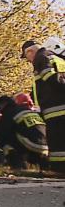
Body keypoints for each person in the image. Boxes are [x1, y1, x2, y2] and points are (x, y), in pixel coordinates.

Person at [22, 40, 65, 174]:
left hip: (54, 109)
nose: (28, 60)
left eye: (26, 56)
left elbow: (51, 78)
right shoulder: (58, 59)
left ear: (30, 52)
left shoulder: (41, 57)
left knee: (57, 141)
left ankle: (59, 169)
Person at [0, 96, 48, 169]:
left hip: (32, 144)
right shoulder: (25, 110)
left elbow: (1, 133)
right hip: (45, 145)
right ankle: (41, 165)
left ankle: (17, 165)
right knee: (18, 132)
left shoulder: (9, 112)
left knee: (7, 142)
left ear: (3, 104)